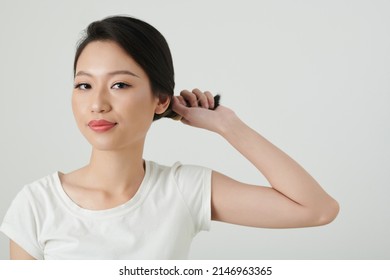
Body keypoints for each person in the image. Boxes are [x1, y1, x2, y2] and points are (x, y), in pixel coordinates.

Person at [0, 16, 339, 260]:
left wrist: (229, 126)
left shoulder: (182, 189)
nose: (98, 104)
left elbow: (317, 210)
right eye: (84, 85)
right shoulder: (36, 205)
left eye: (120, 84)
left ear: (161, 99)